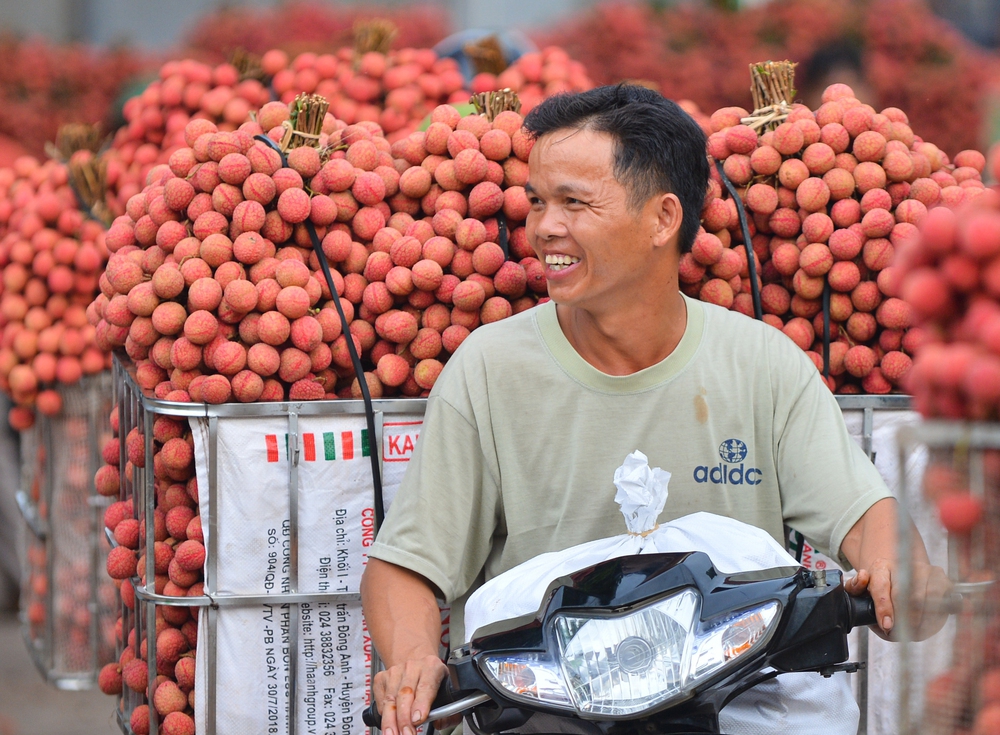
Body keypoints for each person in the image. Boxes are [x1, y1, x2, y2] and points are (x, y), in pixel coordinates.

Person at [361, 84, 950, 735]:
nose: (545, 227)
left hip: (732, 701)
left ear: (664, 218)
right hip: (549, 713)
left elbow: (861, 513)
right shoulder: (488, 368)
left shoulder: (761, 363)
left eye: (575, 203)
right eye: (537, 202)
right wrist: (414, 658)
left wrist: (899, 567)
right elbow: (408, 564)